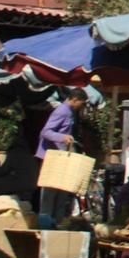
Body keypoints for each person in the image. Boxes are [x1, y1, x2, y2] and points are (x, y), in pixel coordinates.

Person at [35, 91, 88, 224]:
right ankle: (45, 224)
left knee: (61, 192)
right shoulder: (62, 111)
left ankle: (57, 222)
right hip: (52, 157)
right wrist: (62, 137)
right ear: (75, 99)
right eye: (81, 103)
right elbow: (46, 132)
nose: (81, 107)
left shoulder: (70, 112)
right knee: (49, 193)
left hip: (61, 157)